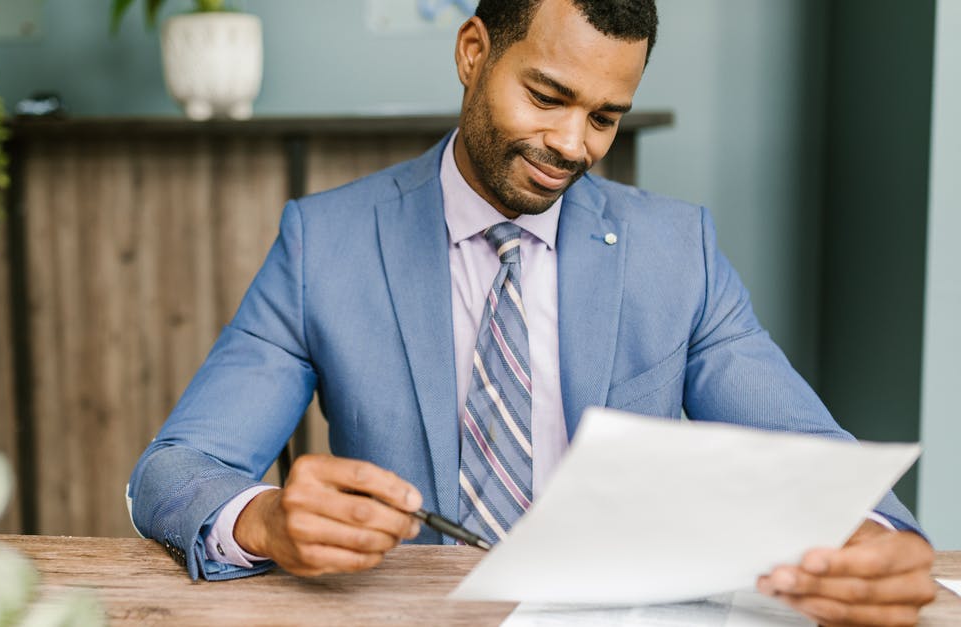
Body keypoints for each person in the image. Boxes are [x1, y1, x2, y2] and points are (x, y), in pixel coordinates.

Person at [127, 0, 937, 624]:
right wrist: (263, 518)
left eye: (604, 116)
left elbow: (821, 457)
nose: (573, 143)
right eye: (548, 96)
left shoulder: (675, 250)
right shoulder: (326, 244)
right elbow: (171, 470)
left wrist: (879, 541)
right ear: (473, 52)